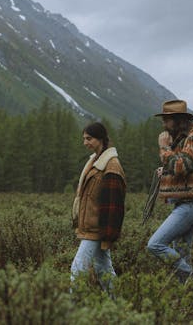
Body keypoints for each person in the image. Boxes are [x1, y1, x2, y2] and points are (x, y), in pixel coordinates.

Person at [147, 99, 193, 283]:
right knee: (182, 254)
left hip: (192, 204)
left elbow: (180, 166)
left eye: (166, 119)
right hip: (183, 203)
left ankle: (192, 278)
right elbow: (181, 167)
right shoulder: (180, 141)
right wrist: (165, 170)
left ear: (178, 120)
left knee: (155, 244)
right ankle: (190, 297)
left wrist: (163, 147)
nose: (163, 124)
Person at [70, 122, 126, 297]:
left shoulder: (111, 166)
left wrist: (108, 236)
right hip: (93, 227)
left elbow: (114, 205)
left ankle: (70, 310)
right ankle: (119, 306)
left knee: (77, 269)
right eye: (84, 139)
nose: (85, 142)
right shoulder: (95, 162)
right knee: (104, 270)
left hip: (97, 229)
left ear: (100, 139)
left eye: (89, 138)